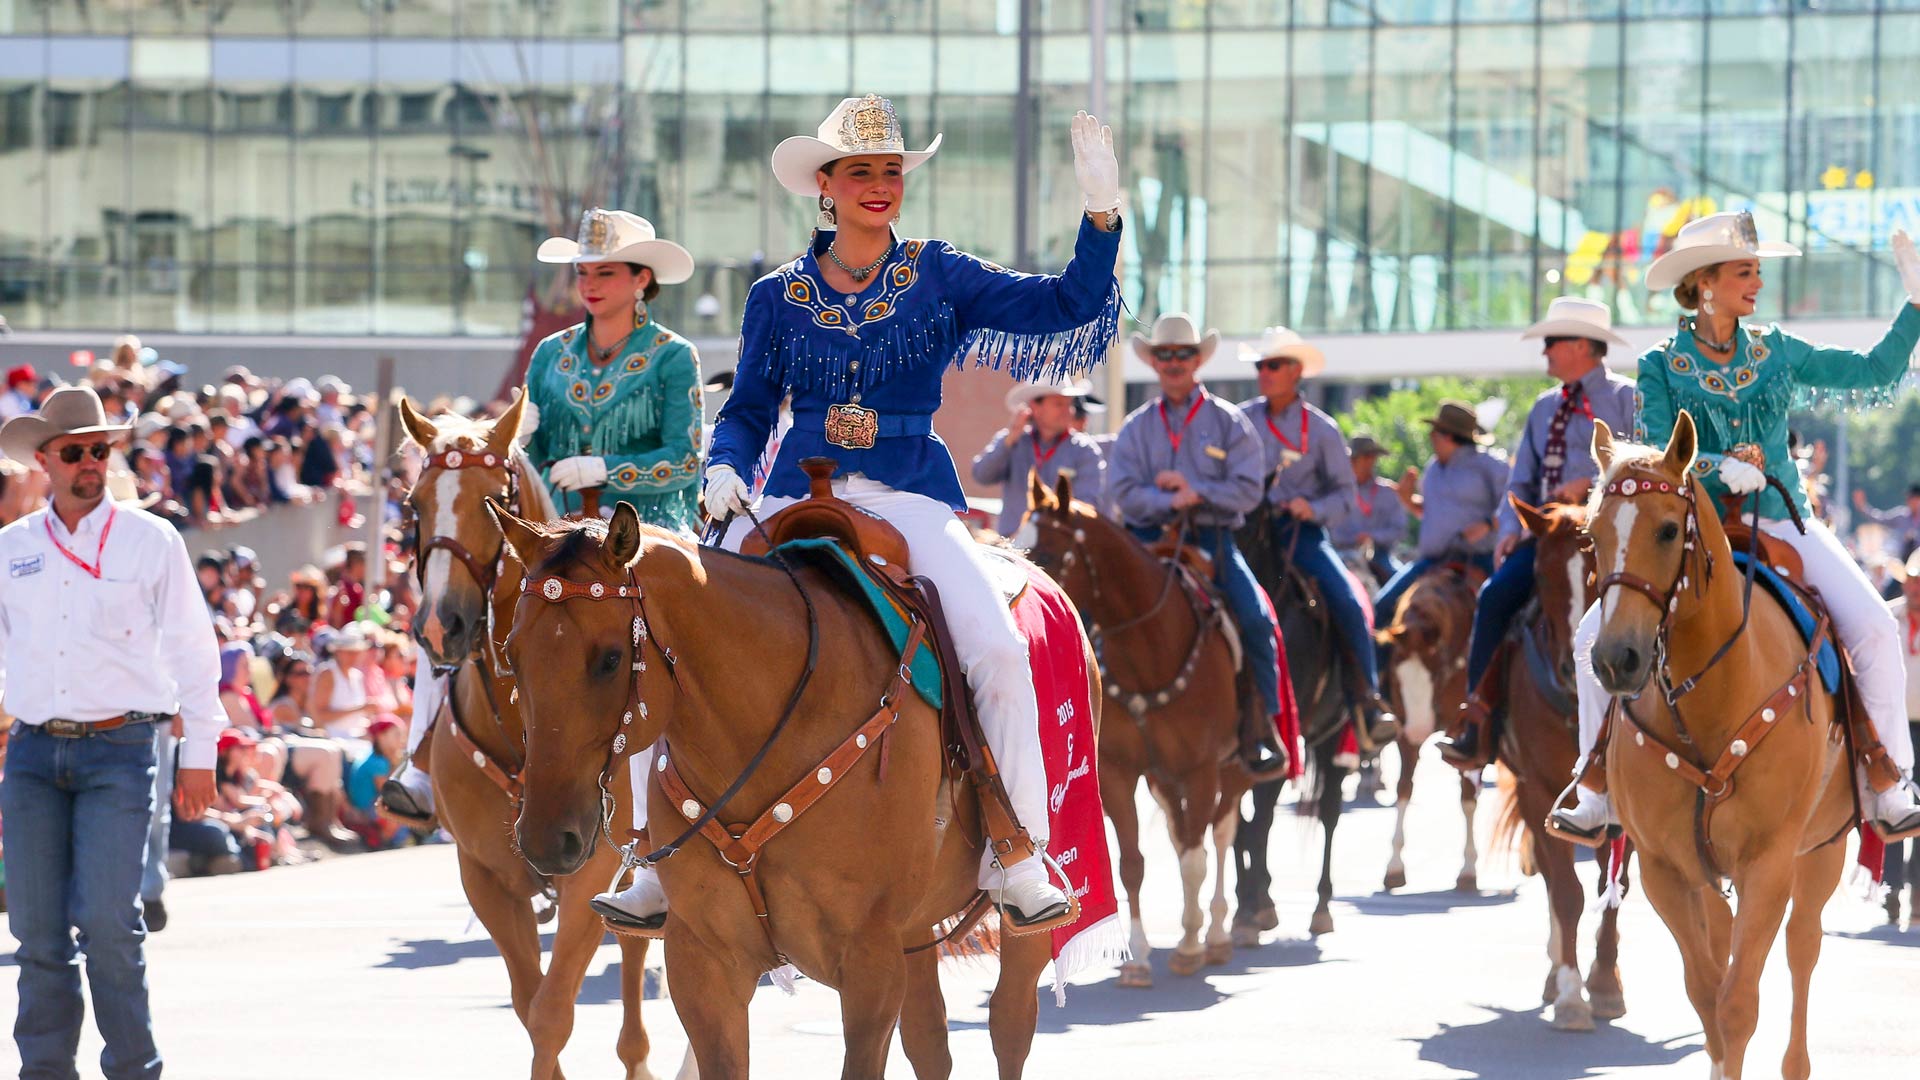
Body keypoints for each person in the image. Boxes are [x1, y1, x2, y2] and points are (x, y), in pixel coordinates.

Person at [598, 95, 1124, 935]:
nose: (878, 185)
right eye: (860, 172)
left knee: (994, 647)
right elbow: (750, 405)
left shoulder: (941, 272)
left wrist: (1101, 217)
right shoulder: (776, 295)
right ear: (825, 185)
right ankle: (650, 857)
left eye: (890, 171)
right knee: (658, 629)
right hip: (787, 496)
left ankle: (1018, 852)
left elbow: (1065, 307)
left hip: (908, 495)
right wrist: (725, 469)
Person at [1553, 213, 1920, 842]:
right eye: (1744, 271)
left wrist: (1915, 306)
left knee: (1879, 630)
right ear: (1704, 283)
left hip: (1784, 519)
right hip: (1690, 525)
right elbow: (1659, 453)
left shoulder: (1777, 349)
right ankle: (1596, 786)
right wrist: (1718, 469)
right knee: (1592, 640)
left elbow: (1872, 370)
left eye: (1756, 270)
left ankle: (1888, 779)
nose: (1756, 282)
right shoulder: (1660, 365)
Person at [381, 208, 704, 824]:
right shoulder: (550, 354)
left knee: (674, 644)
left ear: (642, 279)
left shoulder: (674, 355)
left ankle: (676, 792)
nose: (589, 282)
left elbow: (686, 458)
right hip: (553, 530)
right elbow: (528, 445)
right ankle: (421, 761)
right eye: (584, 271)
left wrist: (606, 471)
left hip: (645, 534)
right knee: (451, 596)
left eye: (605, 271)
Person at [0, 384, 222, 1080]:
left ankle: (134, 1069)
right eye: (75, 452)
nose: (91, 462)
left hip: (122, 750)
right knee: (36, 935)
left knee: (108, 927)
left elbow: (194, 648)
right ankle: (45, 1072)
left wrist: (200, 755)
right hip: (32, 751)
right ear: (46, 460)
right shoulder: (11, 548)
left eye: (101, 449)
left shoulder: (151, 538)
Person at [1440, 298, 1637, 769]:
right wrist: (1509, 529)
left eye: (1552, 342)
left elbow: (1641, 470)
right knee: (1492, 598)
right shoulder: (1543, 407)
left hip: (1605, 539)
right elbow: (1520, 482)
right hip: (1546, 539)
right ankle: (1477, 720)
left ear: (1582, 346)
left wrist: (1591, 485)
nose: (1545, 352)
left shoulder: (1629, 398)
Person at [1107, 313, 1293, 777]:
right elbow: (1123, 492)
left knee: (1256, 617)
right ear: (1153, 362)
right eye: (1165, 355)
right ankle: (1082, 725)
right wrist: (1166, 497)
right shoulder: (1135, 427)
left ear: (1197, 361)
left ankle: (1262, 725)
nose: (1174, 363)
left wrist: (1197, 490)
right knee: (1090, 616)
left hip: (1211, 538)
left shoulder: (1228, 422)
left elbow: (1250, 490)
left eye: (1183, 354)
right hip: (1146, 541)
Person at [1237, 325, 1397, 745]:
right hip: (1243, 530)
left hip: (1300, 534)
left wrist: (1313, 508)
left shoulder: (1323, 429)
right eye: (1260, 365)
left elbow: (1345, 494)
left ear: (1295, 371)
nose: (1264, 373)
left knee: (1345, 597)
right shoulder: (1240, 420)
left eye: (1272, 365)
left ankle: (1367, 696)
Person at [1373, 400, 1509, 658]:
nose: (1430, 437)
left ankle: (1496, 682)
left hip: (1477, 558)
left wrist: (1488, 524)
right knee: (1384, 605)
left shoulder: (1490, 466)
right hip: (1431, 560)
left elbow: (1515, 504)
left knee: (1504, 611)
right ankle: (1380, 688)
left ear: (1449, 436)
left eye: (1435, 432)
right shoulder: (1433, 468)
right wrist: (1408, 500)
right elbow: (1431, 512)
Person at [971, 378, 1106, 536]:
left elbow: (1087, 505)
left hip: (1057, 549)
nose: (1068, 411)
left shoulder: (1085, 450)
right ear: (1035, 407)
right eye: (1059, 404)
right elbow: (981, 475)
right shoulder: (1013, 441)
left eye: (1069, 404)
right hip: (1010, 546)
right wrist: (1010, 438)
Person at [1330, 433, 1405, 587]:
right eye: (1364, 457)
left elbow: (1399, 530)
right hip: (1339, 553)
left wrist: (1373, 536)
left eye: (1372, 457)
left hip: (1379, 556)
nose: (1369, 462)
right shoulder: (1336, 493)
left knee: (1402, 583)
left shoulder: (1388, 493)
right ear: (1351, 460)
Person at [1855, 483, 1920, 561]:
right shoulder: (1901, 516)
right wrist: (1863, 507)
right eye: (1908, 498)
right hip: (1903, 561)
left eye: (1912, 498)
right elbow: (1880, 518)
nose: (1909, 501)